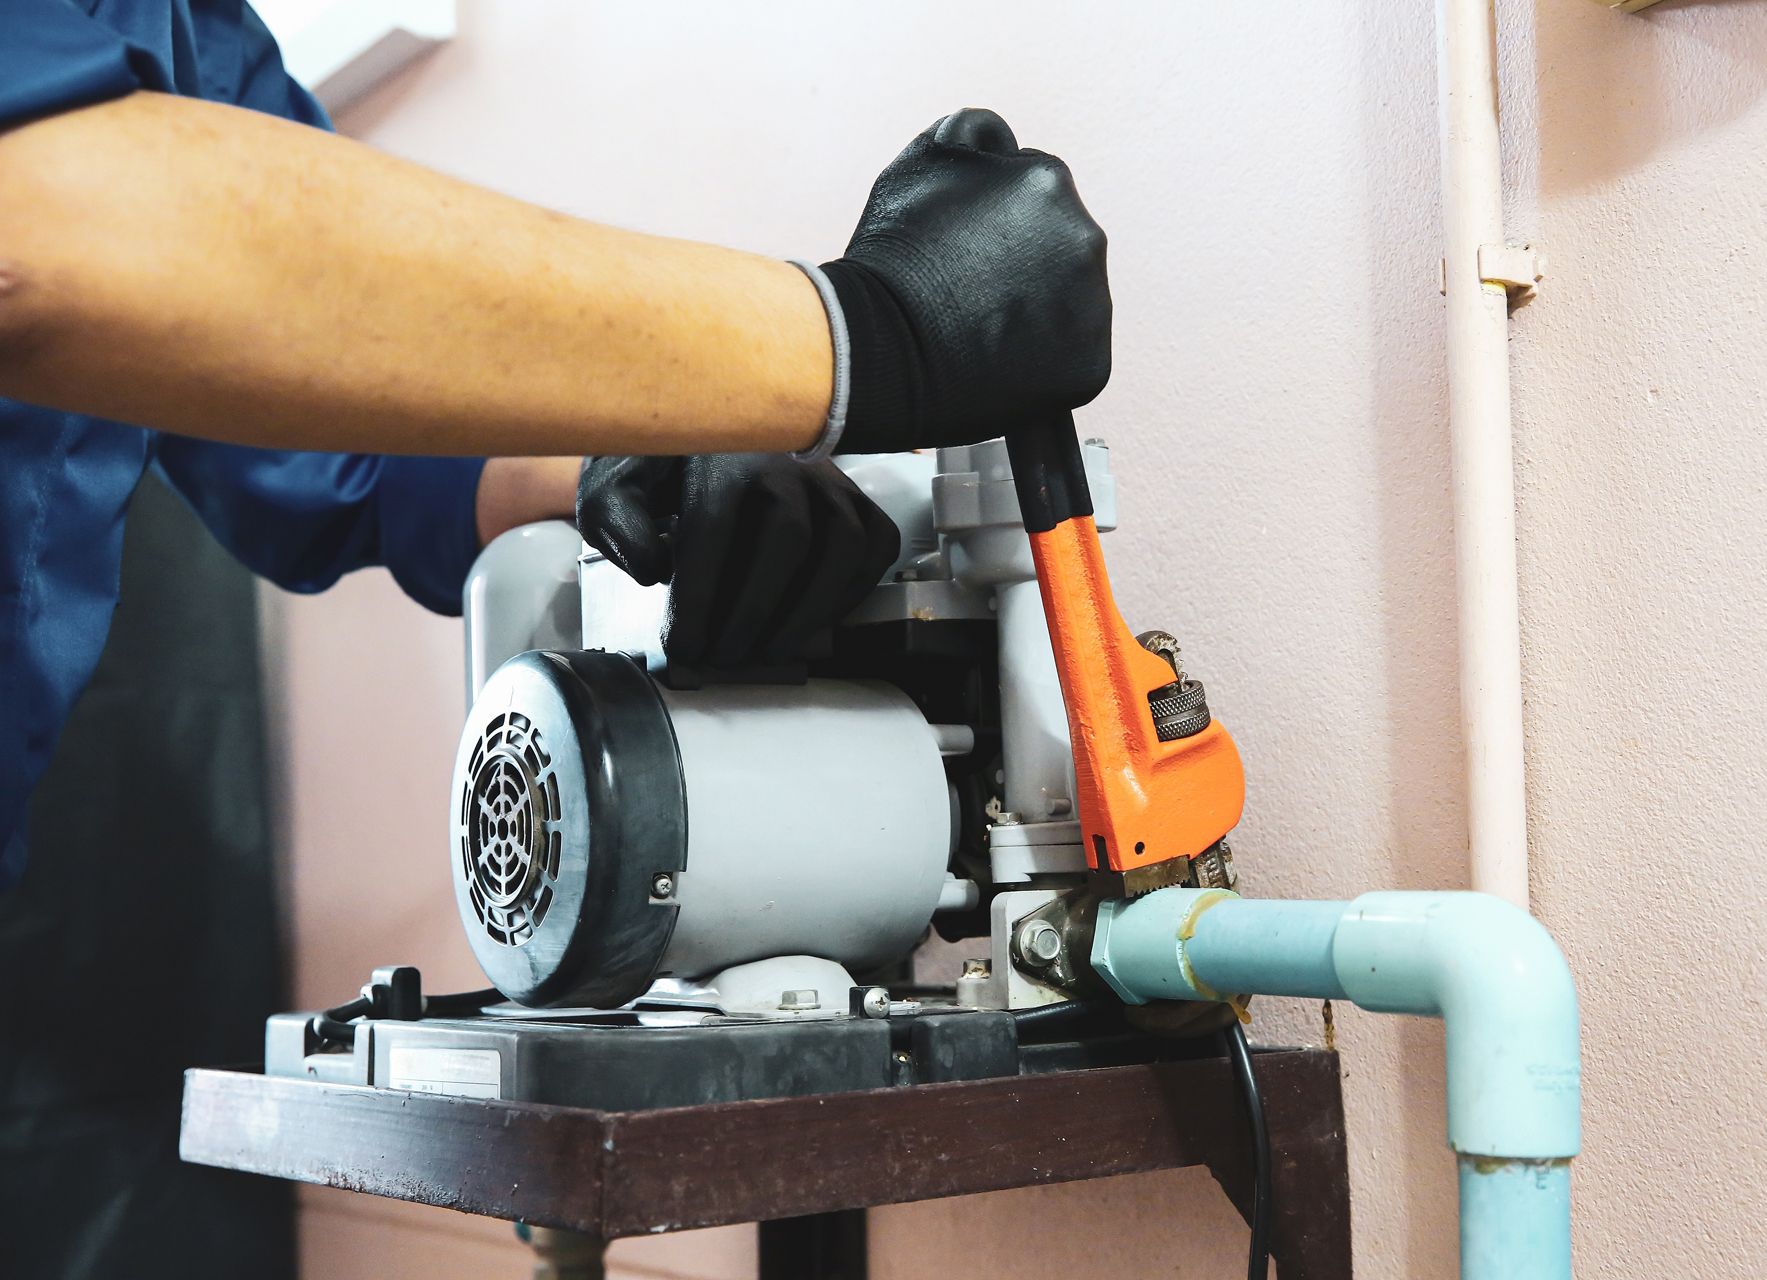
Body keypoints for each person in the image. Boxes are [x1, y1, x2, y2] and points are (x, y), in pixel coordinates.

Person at [0, 3, 1112, 1276]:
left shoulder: (180, 32)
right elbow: (38, 232)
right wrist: (854, 336)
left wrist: (635, 461)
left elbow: (360, 451)